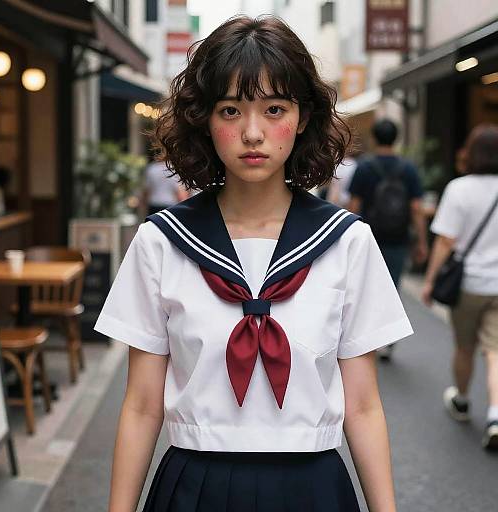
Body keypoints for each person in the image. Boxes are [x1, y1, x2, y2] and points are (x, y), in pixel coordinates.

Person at [95, 16, 413, 512]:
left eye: (274, 109)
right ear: (204, 119)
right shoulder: (161, 242)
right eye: (230, 110)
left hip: (314, 488)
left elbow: (365, 405)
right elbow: (140, 405)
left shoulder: (348, 243)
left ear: (303, 118)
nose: (252, 133)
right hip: (194, 485)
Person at [422, 124, 498, 451]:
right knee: (495, 351)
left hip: (468, 284)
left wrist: (429, 280)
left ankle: (463, 399)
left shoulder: (459, 189)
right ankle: (495, 415)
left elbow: (445, 241)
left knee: (464, 347)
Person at [348, 119, 428, 360]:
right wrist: (422, 241)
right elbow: (416, 208)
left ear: (374, 138)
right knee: (391, 286)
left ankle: (367, 336)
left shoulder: (364, 168)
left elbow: (354, 206)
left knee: (366, 286)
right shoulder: (409, 169)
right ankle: (387, 340)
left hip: (368, 236)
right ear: (396, 139)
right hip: (398, 237)